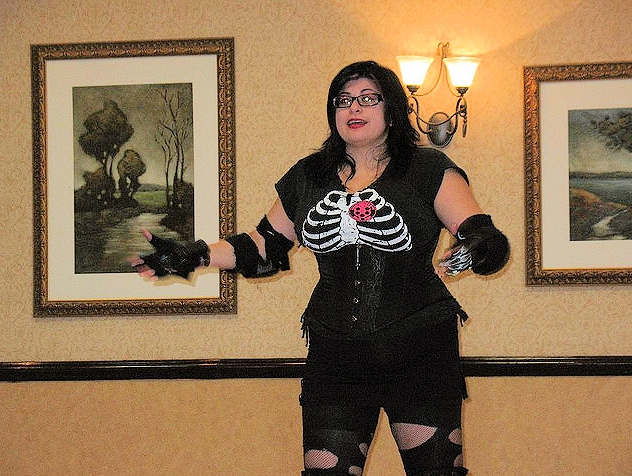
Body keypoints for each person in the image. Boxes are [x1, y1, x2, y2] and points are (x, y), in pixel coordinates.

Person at [131, 60, 509, 476]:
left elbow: (485, 236)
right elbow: (262, 247)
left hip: (419, 352)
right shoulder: (309, 176)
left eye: (368, 98)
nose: (354, 108)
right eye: (343, 100)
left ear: (392, 108)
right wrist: (191, 254)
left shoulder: (427, 169)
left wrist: (476, 248)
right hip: (336, 357)